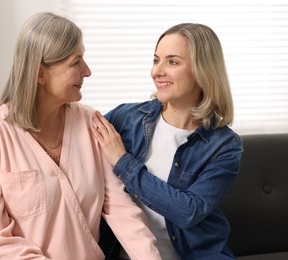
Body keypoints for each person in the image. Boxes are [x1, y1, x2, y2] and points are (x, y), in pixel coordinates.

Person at [0, 12, 161, 260]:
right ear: (40, 73)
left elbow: (121, 209)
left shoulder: (91, 123)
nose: (87, 71)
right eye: (76, 62)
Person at [91, 23, 244, 260]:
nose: (157, 72)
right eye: (156, 60)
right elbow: (72, 134)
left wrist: (123, 162)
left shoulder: (224, 146)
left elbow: (188, 211)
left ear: (203, 71)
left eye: (172, 62)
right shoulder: (126, 119)